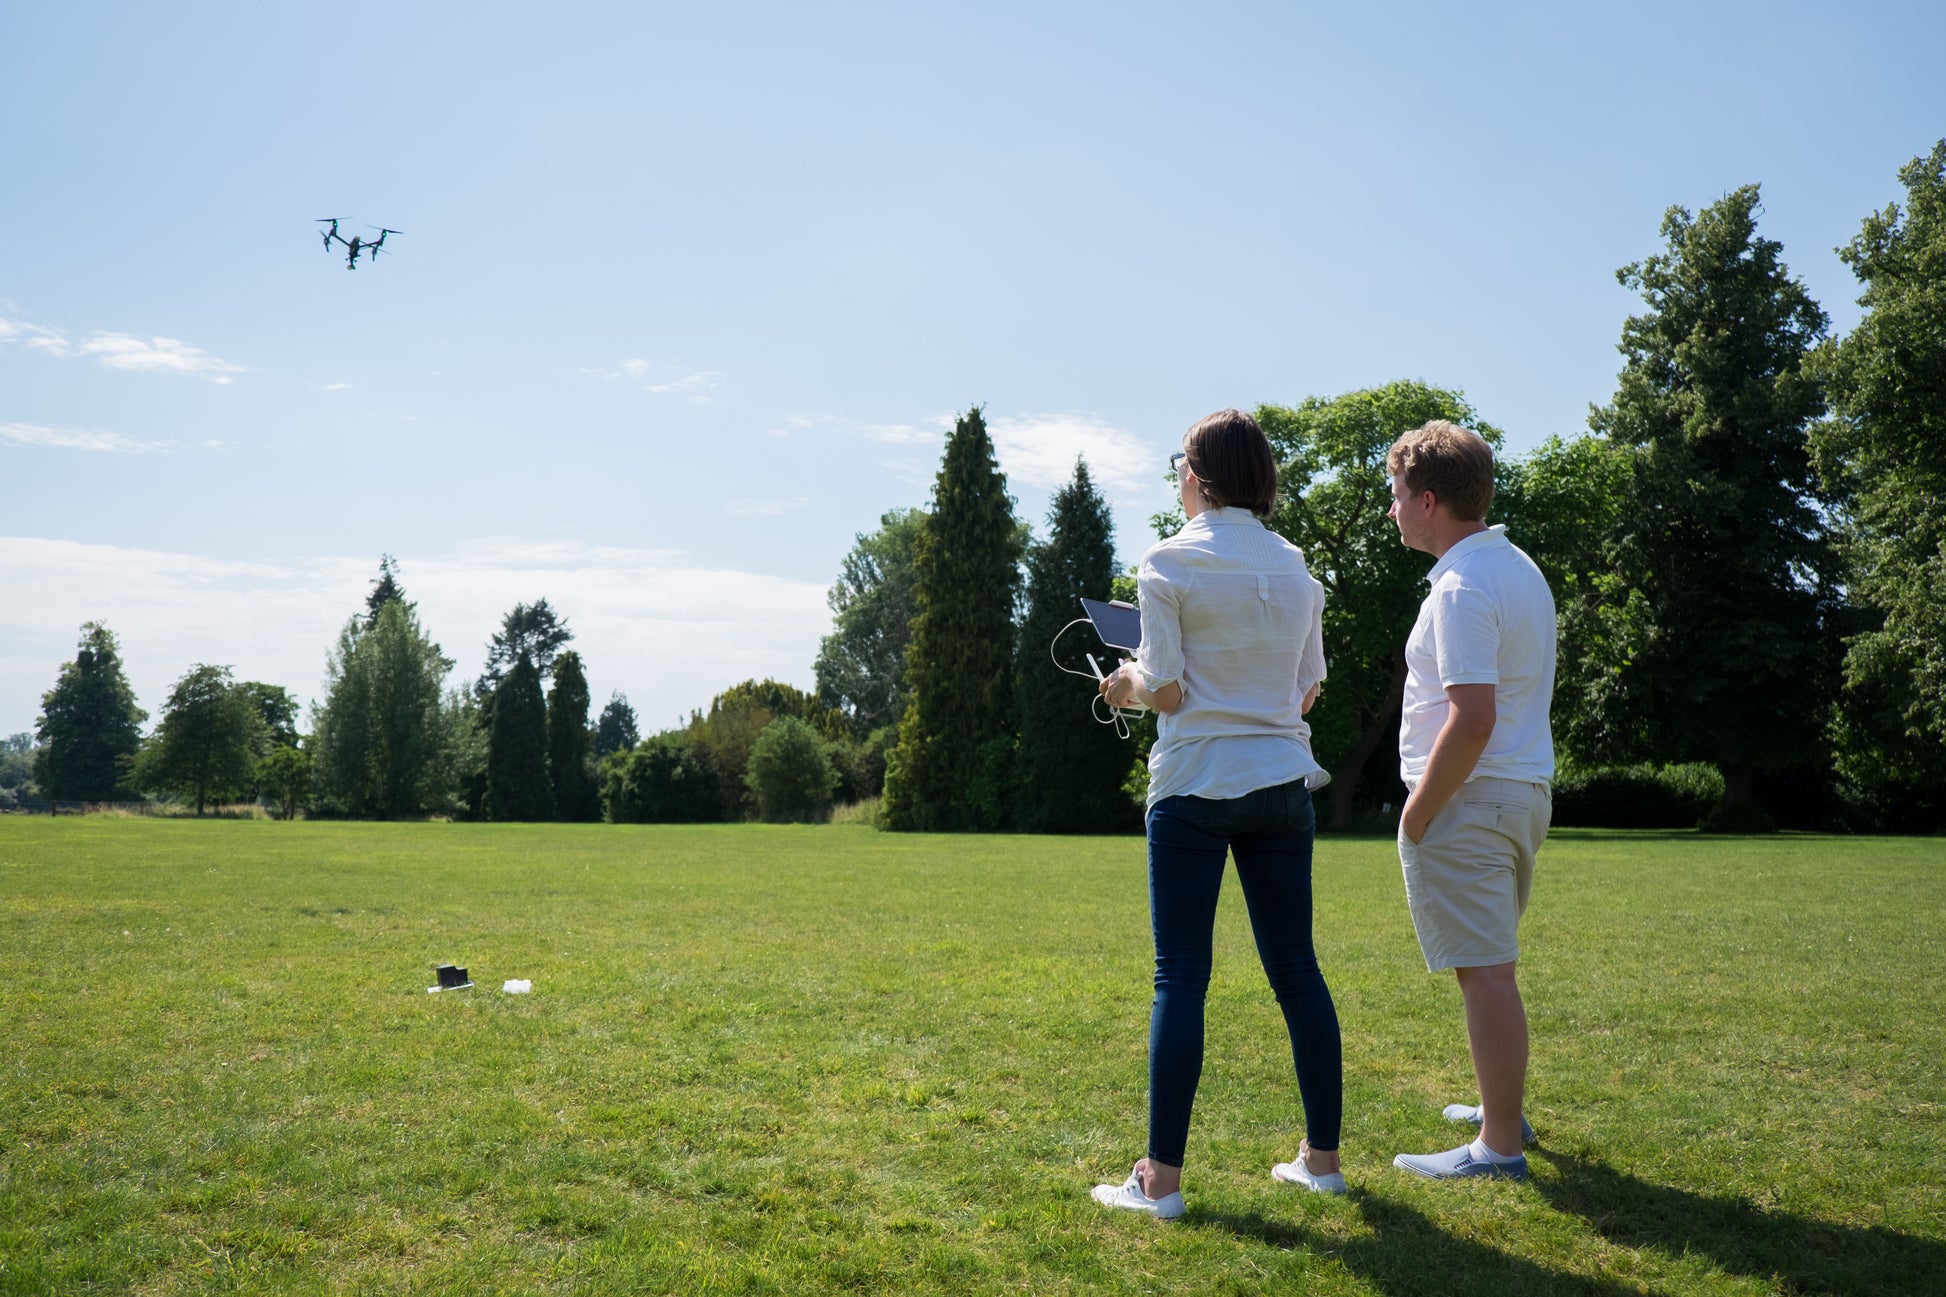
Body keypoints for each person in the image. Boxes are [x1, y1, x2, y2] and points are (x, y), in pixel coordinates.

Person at [1090, 408, 1344, 1219]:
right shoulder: (1298, 568)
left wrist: (1121, 682)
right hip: (1278, 785)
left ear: (1196, 476)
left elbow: (1162, 689)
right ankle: (1323, 1160)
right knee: (1297, 971)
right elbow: (1308, 688)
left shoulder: (1166, 560)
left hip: (1195, 785)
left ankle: (1160, 1181)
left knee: (1182, 978)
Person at [1383, 419, 1555, 1181]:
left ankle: (1499, 1147)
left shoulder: (1460, 584)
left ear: (1427, 500)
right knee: (1491, 967)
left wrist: (1418, 809)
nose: (1391, 509)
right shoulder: (1517, 566)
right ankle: (1499, 1111)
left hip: (1471, 800)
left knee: (1486, 972)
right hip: (1517, 794)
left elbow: (1473, 715)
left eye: (1395, 496)